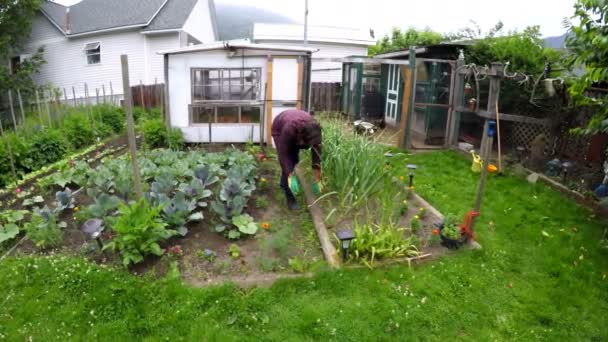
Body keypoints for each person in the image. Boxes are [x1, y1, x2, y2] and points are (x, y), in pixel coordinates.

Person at [271, 109, 323, 210]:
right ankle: (290, 198)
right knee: (288, 162)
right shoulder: (289, 130)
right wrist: (290, 175)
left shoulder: (315, 132)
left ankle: (283, 182)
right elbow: (284, 155)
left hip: (297, 130)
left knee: (295, 159)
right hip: (279, 127)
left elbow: (317, 155)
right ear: (303, 138)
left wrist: (317, 178)